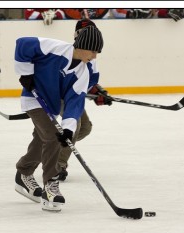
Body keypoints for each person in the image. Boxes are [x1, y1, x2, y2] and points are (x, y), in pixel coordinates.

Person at [14, 26, 104, 212]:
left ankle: (23, 172)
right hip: (34, 98)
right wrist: (26, 73)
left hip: (53, 103)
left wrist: (69, 129)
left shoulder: (83, 72)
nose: (95, 56)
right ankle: (51, 186)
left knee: (44, 139)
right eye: (93, 51)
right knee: (52, 136)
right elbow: (22, 43)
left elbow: (75, 103)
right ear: (83, 46)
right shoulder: (54, 48)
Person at [56, 19, 112, 182]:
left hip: (72, 97)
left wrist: (99, 93)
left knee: (85, 128)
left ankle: (51, 146)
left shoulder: (91, 57)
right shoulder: (66, 52)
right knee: (75, 126)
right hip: (58, 95)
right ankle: (58, 165)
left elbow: (89, 82)